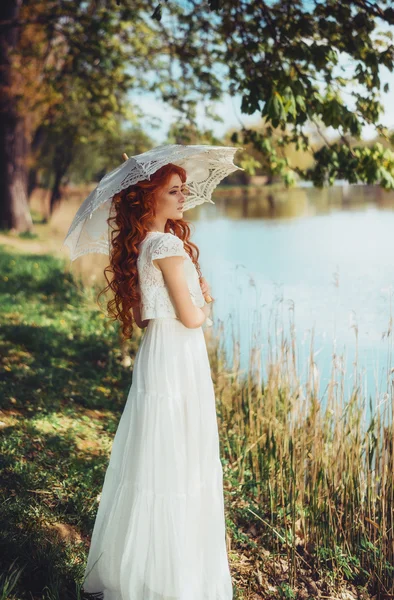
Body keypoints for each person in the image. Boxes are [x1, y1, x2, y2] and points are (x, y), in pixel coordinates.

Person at [82, 162, 233, 600]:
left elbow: (142, 317)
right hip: (180, 357)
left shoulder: (142, 245)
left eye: (183, 190)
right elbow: (189, 318)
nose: (183, 197)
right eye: (174, 190)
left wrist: (187, 297)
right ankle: (176, 581)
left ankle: (142, 570)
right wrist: (206, 302)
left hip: (158, 355)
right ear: (150, 197)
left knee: (156, 457)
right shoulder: (167, 243)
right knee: (181, 457)